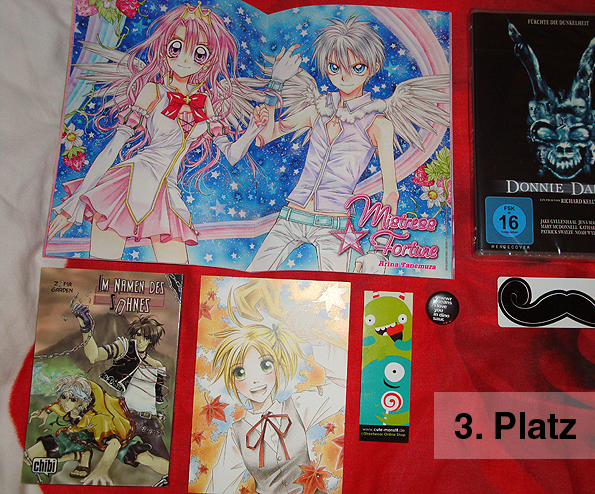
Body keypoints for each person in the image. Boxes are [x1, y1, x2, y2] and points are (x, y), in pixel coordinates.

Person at [47, 2, 265, 263]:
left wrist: (254, 129)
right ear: (164, 50)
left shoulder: (205, 102)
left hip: (168, 193)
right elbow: (113, 147)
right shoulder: (153, 91)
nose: (185, 59)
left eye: (199, 53)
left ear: (208, 60)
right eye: (176, 48)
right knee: (101, 273)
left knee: (178, 275)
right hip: (129, 183)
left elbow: (231, 155)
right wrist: (75, 202)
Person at [247, 16, 449, 273]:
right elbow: (265, 136)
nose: (344, 76)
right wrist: (276, 84)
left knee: (339, 292)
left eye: (357, 67)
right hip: (291, 216)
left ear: (372, 68)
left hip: (335, 227)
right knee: (250, 278)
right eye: (334, 67)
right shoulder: (317, 108)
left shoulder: (378, 123)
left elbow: (390, 191)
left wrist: (381, 249)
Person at [205, 296, 347, 494]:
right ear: (232, 379)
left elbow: (346, 382)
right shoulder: (237, 433)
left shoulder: (298, 406)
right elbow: (219, 485)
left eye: (265, 365)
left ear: (278, 367)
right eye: (241, 372)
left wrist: (316, 340)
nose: (255, 381)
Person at [72, 304, 171, 468]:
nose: (140, 341)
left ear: (151, 340)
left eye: (145, 337)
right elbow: (94, 356)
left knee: (167, 464)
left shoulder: (157, 365)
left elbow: (156, 396)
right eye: (138, 335)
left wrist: (158, 415)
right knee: (102, 447)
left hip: (149, 421)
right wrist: (86, 330)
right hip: (125, 418)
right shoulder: (125, 348)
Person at [24, 374, 168, 486]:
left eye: (72, 399)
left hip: (111, 437)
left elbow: (114, 444)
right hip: (85, 436)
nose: (66, 403)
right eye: (63, 397)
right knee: (37, 451)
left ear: (81, 401)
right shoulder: (69, 407)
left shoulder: (99, 418)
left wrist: (101, 470)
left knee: (141, 457)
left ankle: (172, 476)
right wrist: (46, 412)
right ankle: (82, 455)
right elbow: (58, 405)